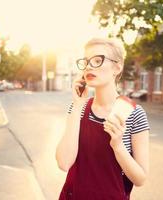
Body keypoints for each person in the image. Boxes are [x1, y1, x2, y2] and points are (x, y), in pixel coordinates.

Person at [56, 37, 150, 200]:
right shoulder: (78, 107)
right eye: (86, 62)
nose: (89, 66)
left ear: (117, 67)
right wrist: (78, 105)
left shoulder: (134, 113)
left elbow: (140, 178)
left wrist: (118, 146)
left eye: (98, 60)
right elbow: (64, 163)